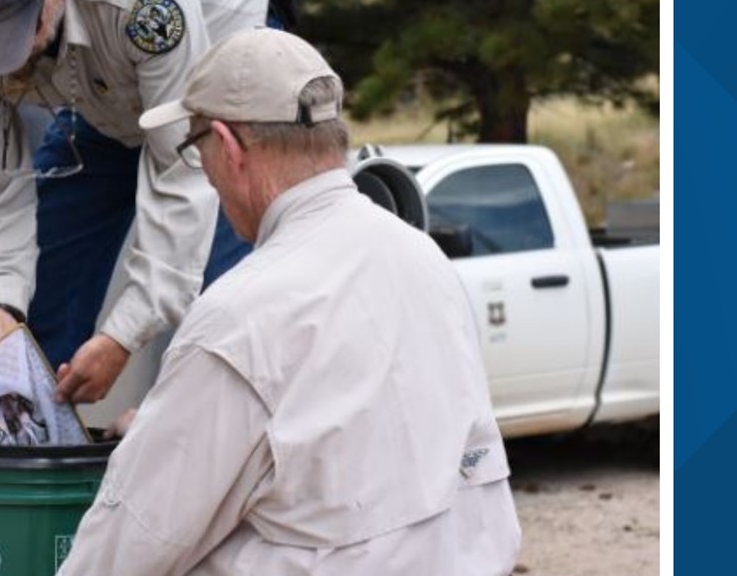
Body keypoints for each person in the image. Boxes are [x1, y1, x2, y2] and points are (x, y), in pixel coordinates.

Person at [56, 29, 522, 576]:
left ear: (228, 147)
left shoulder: (241, 315)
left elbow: (130, 542)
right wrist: (167, 432)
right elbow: (357, 456)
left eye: (194, 149)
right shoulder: (421, 258)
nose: (202, 169)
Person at [0, 0, 275, 403]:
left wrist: (122, 336)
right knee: (38, 314)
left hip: (219, 65)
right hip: (103, 95)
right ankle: (40, 460)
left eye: (13, 32)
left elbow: (184, 171)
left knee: (223, 312)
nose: (2, 61)